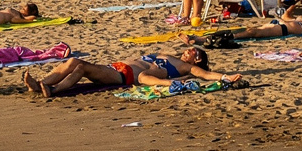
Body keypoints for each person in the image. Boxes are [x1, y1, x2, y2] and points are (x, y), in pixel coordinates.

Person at [24, 46, 239, 97]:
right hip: (117, 67)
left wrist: (224, 77)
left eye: (191, 51)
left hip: (123, 75)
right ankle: (44, 84)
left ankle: (52, 88)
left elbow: (204, 75)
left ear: (197, 58)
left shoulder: (184, 67)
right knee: (76, 64)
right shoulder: (170, 57)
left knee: (77, 65)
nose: (186, 51)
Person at [213, 0, 302, 41]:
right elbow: (286, 17)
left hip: (282, 29)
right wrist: (291, 8)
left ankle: (229, 37)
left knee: (253, 32)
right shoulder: (301, 20)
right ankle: (212, 37)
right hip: (277, 23)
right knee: (250, 30)